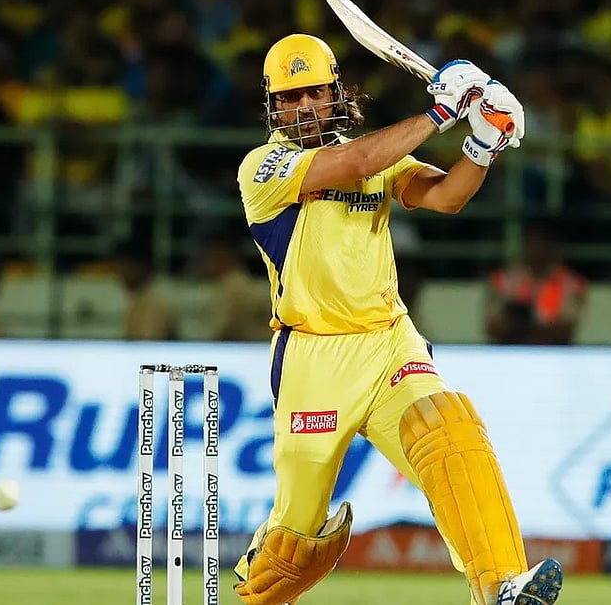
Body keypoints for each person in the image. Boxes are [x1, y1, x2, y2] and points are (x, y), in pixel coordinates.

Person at [233, 33, 562, 605]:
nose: (304, 107)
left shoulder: (382, 155)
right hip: (314, 358)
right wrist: (442, 111)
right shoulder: (264, 168)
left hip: (389, 342)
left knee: (451, 433)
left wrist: (483, 142)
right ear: (271, 105)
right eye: (290, 97)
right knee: (292, 546)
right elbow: (352, 163)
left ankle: (502, 586)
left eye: (314, 92)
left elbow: (447, 197)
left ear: (336, 93)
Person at [485, 221, 587, 345]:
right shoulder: (503, 279)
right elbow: (492, 327)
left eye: (544, 242)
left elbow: (566, 330)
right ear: (525, 243)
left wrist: (526, 326)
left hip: (554, 354)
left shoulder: (572, 284)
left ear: (554, 245)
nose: (537, 248)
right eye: (533, 242)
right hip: (512, 353)